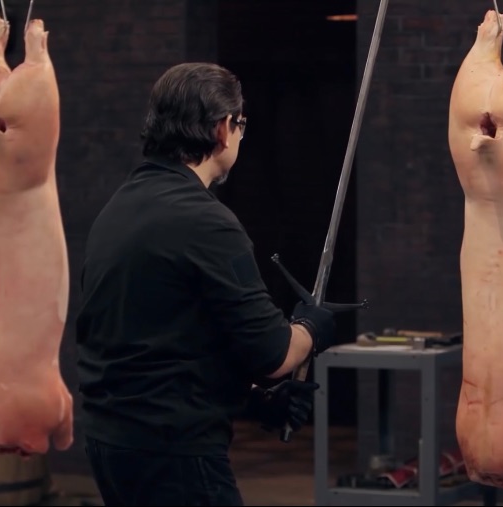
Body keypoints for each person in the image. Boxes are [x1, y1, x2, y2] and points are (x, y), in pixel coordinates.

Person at [74, 62, 338, 506]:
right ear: (221, 129)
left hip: (112, 444)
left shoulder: (119, 208)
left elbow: (162, 340)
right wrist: (312, 328)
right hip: (174, 453)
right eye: (241, 125)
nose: (240, 136)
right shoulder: (207, 223)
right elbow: (274, 353)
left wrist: (249, 399)